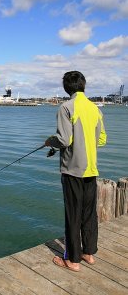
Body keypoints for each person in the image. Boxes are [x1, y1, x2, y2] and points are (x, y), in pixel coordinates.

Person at [45, 71, 107, 272]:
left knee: (73, 214)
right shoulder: (95, 108)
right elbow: (102, 139)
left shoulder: (66, 107)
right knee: (89, 213)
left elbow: (64, 140)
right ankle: (88, 253)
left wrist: (49, 141)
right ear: (83, 85)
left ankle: (72, 260)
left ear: (66, 88)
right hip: (91, 169)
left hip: (73, 170)